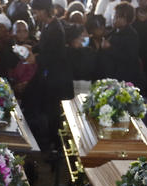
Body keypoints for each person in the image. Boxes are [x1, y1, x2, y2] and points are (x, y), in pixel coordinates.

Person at [24, 0, 72, 150]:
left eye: (36, 11)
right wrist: (32, 48)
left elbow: (56, 55)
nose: (34, 14)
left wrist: (36, 58)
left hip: (55, 78)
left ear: (44, 10)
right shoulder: (47, 25)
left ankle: (56, 146)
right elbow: (45, 46)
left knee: (52, 113)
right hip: (47, 76)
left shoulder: (56, 28)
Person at [101, 2, 145, 88]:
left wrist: (110, 48)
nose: (114, 19)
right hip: (110, 76)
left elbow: (129, 57)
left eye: (117, 16)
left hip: (123, 78)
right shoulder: (113, 32)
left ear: (124, 18)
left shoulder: (131, 35)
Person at [65, 22, 97, 94]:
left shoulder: (89, 51)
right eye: (83, 35)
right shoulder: (68, 53)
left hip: (85, 88)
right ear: (74, 38)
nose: (86, 37)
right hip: (75, 90)